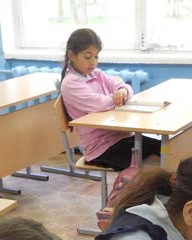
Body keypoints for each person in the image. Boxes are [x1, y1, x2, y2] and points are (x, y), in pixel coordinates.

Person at [60, 27, 161, 171]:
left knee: (163, 148)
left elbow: (122, 85)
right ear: (72, 55)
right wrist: (116, 98)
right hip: (100, 148)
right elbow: (99, 104)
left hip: (119, 137)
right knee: (156, 159)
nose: (93, 62)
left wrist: (122, 91)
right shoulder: (71, 83)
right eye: (87, 57)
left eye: (96, 57)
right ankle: (140, 185)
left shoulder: (96, 73)